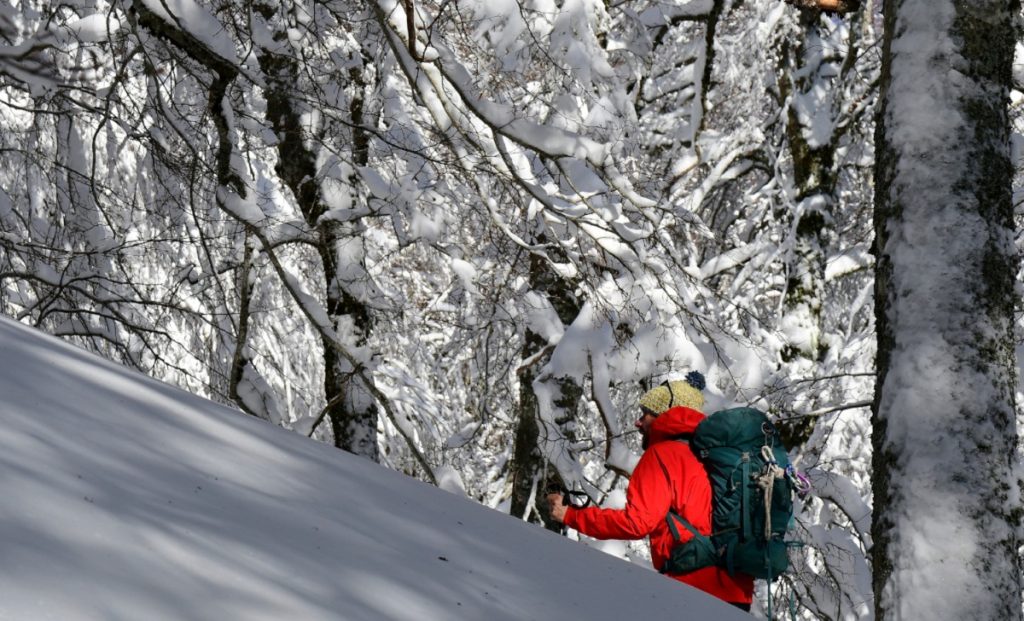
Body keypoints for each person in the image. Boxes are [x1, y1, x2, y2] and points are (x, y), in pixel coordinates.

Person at [547, 373, 754, 610]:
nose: (638, 422)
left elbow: (637, 523)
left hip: (693, 591)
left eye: (645, 413)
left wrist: (571, 515)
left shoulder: (662, 455)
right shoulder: (715, 456)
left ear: (665, 415)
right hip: (738, 594)